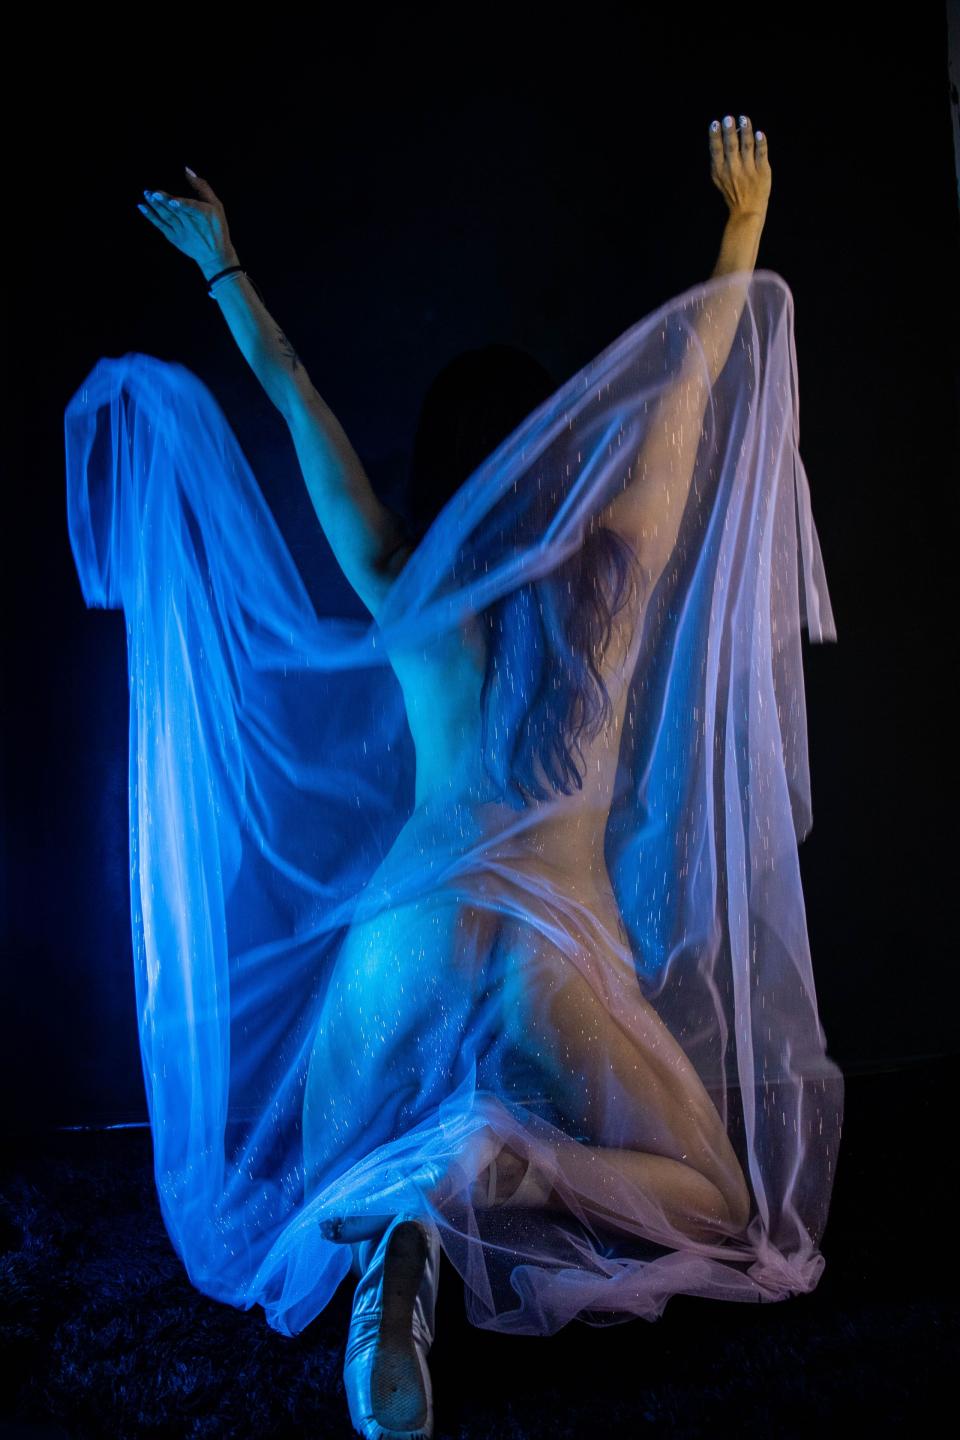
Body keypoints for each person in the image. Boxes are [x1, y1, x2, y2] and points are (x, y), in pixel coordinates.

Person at [66, 110, 841, 1440]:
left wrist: (223, 264)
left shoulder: (404, 580)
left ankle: (404, 1239)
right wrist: (745, 225)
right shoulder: (615, 568)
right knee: (724, 1204)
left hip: (402, 935)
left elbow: (295, 396)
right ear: (559, 451)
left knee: (323, 1192)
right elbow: (689, 390)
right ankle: (501, 1167)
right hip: (552, 948)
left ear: (438, 470)